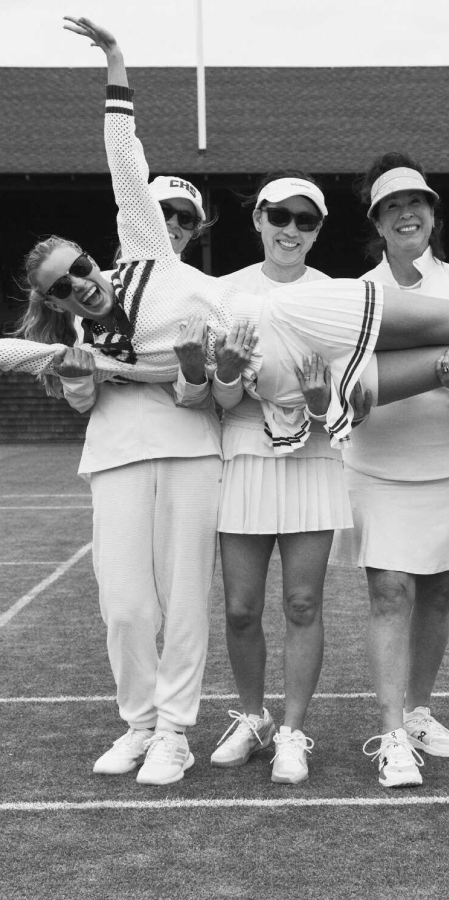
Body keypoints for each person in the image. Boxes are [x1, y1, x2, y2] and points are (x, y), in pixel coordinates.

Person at [2, 24, 449, 447]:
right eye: (61, 286)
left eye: (80, 265)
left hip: (298, 313)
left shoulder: (143, 256)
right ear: (52, 301)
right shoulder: (91, 351)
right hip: (280, 373)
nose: (80, 283)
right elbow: (39, 358)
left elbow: (124, 165)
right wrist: (118, 365)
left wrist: (115, 65)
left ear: (95, 256)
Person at [13, 176, 223, 787]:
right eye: (60, 285)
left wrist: (183, 372)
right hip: (114, 458)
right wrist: (82, 377)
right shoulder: (88, 306)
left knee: (184, 601)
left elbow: (205, 389)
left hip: (190, 451)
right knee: (125, 607)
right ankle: (140, 724)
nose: (172, 224)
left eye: (183, 216)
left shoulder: (199, 292)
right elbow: (83, 401)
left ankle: (174, 733)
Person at [331, 154, 449, 787]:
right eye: (392, 207)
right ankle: (392, 735)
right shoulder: (357, 295)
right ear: (378, 222)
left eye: (416, 203)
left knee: (438, 593)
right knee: (390, 593)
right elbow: (350, 391)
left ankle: (418, 711)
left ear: (432, 215)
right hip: (379, 469)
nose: (406, 214)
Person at [205, 172, 357, 784]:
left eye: (305, 220)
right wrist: (227, 373)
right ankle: (253, 718)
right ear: (258, 220)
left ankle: (292, 731)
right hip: (244, 452)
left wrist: (320, 403)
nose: (291, 229)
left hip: (313, 457)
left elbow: (349, 397)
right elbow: (220, 399)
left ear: (318, 231)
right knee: (241, 609)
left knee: (302, 602)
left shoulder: (336, 296)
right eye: (280, 216)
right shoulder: (224, 293)